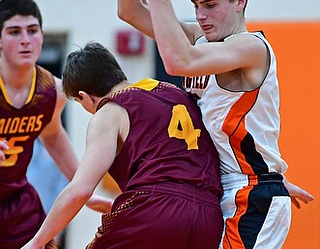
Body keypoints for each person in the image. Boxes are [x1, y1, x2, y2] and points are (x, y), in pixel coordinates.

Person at [117, 0, 315, 248]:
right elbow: (130, 11)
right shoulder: (197, 39)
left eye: (210, 6)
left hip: (250, 194)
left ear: (240, 1)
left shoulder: (252, 47)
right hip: (215, 188)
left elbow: (178, 61)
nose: (201, 15)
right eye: (196, 6)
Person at [22, 41, 223, 249]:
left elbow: (80, 189)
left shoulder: (108, 111)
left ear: (84, 97)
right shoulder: (175, 92)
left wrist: (37, 242)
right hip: (208, 216)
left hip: (155, 208)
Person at [0, 0, 112, 249]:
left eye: (32, 30)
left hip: (18, 204)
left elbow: (51, 135)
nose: (26, 39)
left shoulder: (53, 91)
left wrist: (83, 190)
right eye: (14, 32)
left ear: (41, 35)